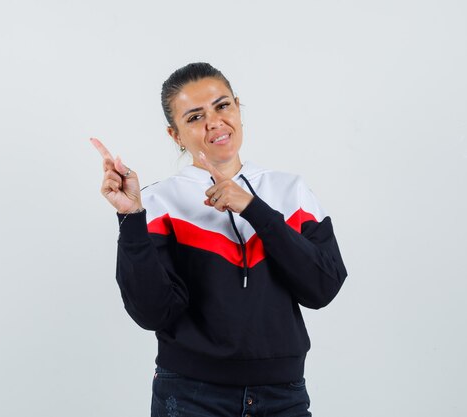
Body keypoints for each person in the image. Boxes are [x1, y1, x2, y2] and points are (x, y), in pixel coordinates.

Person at [91, 62, 348, 417]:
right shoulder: (157, 203)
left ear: (238, 108)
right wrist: (131, 218)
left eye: (222, 105)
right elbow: (152, 312)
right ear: (175, 135)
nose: (214, 122)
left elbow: (322, 287)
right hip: (190, 395)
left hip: (283, 396)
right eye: (195, 117)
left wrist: (255, 210)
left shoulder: (291, 192)